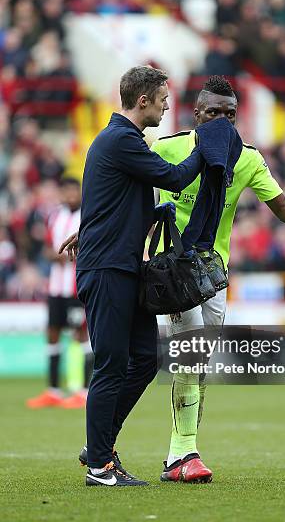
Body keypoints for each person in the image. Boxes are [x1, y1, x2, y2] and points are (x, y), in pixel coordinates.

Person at [61, 75, 285, 483]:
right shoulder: (167, 147)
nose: (222, 120)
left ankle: (123, 447)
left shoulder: (248, 159)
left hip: (212, 273)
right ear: (196, 113)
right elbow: (126, 193)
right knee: (180, 354)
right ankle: (179, 453)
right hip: (169, 273)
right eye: (213, 113)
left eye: (230, 114)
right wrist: (90, 229)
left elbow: (282, 207)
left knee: (194, 361)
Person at [62, 66, 203, 487]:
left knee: (144, 359)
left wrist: (88, 228)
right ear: (142, 100)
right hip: (107, 269)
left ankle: (99, 445)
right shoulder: (121, 140)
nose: (166, 105)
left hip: (124, 269)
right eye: (162, 99)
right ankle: (100, 467)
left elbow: (127, 205)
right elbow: (176, 178)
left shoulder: (119, 142)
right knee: (110, 365)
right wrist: (211, 145)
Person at [26, 177, 93, 410]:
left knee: (80, 335)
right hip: (56, 287)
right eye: (66, 191)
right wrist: (50, 254)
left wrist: (62, 256)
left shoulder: (86, 216)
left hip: (76, 287)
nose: (70, 194)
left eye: (74, 190)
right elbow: (47, 246)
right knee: (52, 334)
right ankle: (53, 391)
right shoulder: (55, 215)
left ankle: (83, 391)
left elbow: (89, 247)